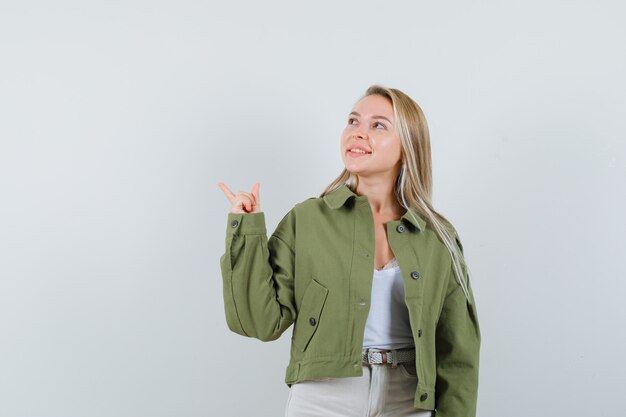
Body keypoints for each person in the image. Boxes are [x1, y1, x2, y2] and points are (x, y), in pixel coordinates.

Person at [218, 85, 481, 417]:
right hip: (322, 396)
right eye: (353, 121)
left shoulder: (437, 237)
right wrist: (246, 230)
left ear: (407, 147)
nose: (358, 133)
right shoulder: (308, 219)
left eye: (378, 125)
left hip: (409, 398)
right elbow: (261, 322)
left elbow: (458, 351)